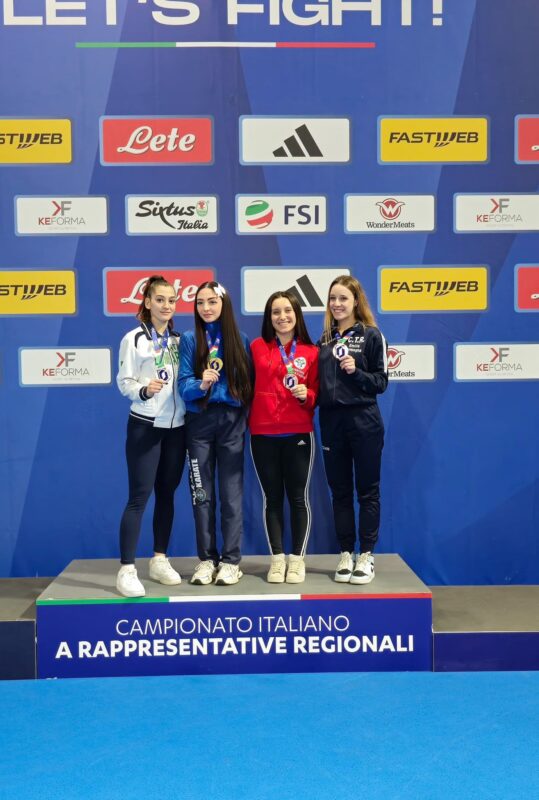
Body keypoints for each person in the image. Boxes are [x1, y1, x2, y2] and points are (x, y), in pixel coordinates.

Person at [116, 275, 186, 598]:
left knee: (168, 494)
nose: (167, 306)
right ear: (147, 302)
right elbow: (124, 382)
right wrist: (143, 390)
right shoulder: (133, 339)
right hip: (145, 426)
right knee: (139, 497)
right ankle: (127, 569)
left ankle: (159, 558)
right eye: (160, 300)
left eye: (171, 300)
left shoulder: (178, 341)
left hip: (177, 429)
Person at [179, 281, 252, 586]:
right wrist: (202, 385)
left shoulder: (240, 340)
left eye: (212, 301)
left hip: (232, 422)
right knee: (202, 495)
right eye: (200, 303)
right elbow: (183, 385)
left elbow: (249, 388)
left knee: (232, 495)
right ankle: (207, 560)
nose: (206, 308)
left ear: (224, 304)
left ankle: (231, 561)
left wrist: (237, 409)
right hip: (199, 422)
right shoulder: (188, 339)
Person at [318, 275, 388, 585]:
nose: (337, 304)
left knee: (368, 491)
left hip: (364, 420)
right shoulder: (324, 340)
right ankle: (346, 553)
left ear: (355, 301)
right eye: (333, 298)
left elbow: (381, 383)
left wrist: (355, 372)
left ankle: (367, 555)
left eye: (343, 298)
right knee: (340, 492)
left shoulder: (372, 335)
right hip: (332, 423)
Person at [249, 291, 319, 584]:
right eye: (275, 312)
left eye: (287, 310)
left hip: (298, 432)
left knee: (298, 497)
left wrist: (308, 395)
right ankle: (277, 559)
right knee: (272, 498)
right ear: (269, 318)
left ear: (297, 314)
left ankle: (297, 559)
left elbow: (317, 393)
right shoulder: (256, 347)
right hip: (262, 431)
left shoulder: (311, 352)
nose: (282, 317)